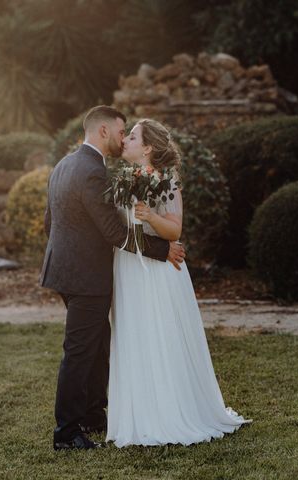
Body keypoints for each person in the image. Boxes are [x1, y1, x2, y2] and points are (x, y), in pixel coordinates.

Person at [40, 106, 187, 450]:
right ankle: (66, 432)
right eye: (122, 132)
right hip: (85, 276)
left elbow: (50, 222)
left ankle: (93, 415)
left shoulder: (65, 164)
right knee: (79, 351)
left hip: (64, 270)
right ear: (104, 131)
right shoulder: (92, 171)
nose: (124, 140)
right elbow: (111, 231)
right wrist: (161, 250)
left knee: (96, 345)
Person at [106, 118, 252, 447]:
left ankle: (170, 414)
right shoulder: (125, 178)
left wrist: (150, 216)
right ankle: (139, 415)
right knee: (135, 336)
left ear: (147, 147)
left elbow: (175, 230)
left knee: (160, 337)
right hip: (129, 268)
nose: (125, 140)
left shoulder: (166, 181)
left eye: (132, 136)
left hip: (157, 273)